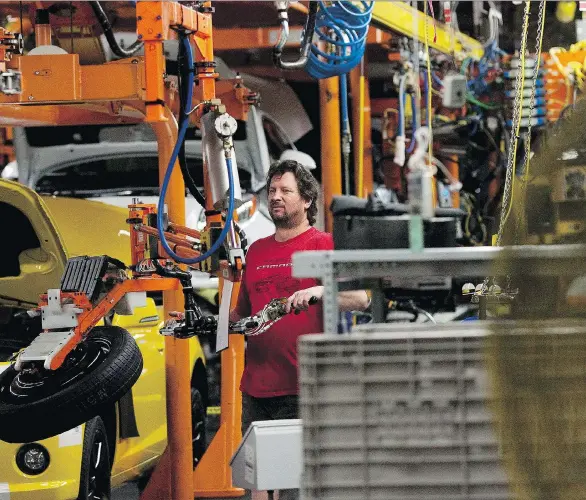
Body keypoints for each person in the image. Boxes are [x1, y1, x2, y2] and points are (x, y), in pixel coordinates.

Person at [230, 160, 369, 500]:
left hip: (304, 386)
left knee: (297, 490)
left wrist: (321, 291)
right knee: (256, 488)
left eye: (285, 191)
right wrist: (208, 320)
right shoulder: (257, 251)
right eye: (272, 191)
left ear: (306, 199)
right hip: (257, 389)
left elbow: (363, 297)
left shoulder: (325, 245)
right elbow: (242, 317)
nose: (276, 197)